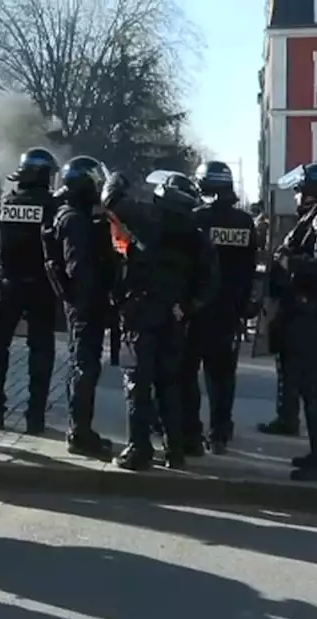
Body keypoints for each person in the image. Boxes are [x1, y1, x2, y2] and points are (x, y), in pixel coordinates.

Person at [101, 170, 215, 470]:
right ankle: (174, 450)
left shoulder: (148, 218)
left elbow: (110, 199)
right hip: (173, 318)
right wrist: (185, 308)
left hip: (141, 313)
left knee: (137, 383)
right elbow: (209, 282)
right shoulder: (197, 234)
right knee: (169, 383)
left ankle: (139, 450)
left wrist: (116, 178)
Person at [262, 163, 317, 481]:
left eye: (299, 190)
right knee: (312, 388)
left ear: (313, 190)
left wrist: (290, 262)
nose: (296, 196)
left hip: (314, 315)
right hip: (307, 313)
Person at [0, 148, 60, 434]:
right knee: (41, 351)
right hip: (42, 289)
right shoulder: (53, 207)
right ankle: (35, 418)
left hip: (7, 287)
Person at [45, 155, 117, 458]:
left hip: (84, 305)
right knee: (84, 367)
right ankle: (79, 433)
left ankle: (81, 429)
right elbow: (79, 270)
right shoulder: (74, 220)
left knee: (84, 366)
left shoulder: (78, 216)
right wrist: (97, 303)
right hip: (85, 307)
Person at [185, 160, 258, 455]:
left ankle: (190, 431)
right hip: (229, 311)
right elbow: (250, 268)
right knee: (222, 377)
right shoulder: (244, 222)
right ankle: (220, 432)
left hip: (197, 310)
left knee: (188, 372)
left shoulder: (196, 218)